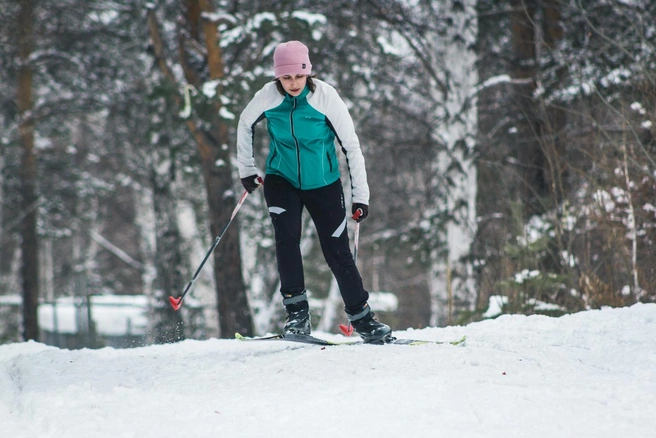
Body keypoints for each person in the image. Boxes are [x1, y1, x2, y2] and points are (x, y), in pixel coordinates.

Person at [236, 40, 392, 343]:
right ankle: (297, 315)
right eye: (286, 77)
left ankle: (363, 319)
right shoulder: (266, 97)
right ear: (277, 77)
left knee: (337, 252)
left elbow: (351, 145)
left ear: (309, 73)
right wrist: (247, 169)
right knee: (287, 240)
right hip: (282, 180)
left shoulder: (325, 97)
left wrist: (361, 195)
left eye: (299, 76)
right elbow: (244, 124)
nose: (293, 83)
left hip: (324, 183)